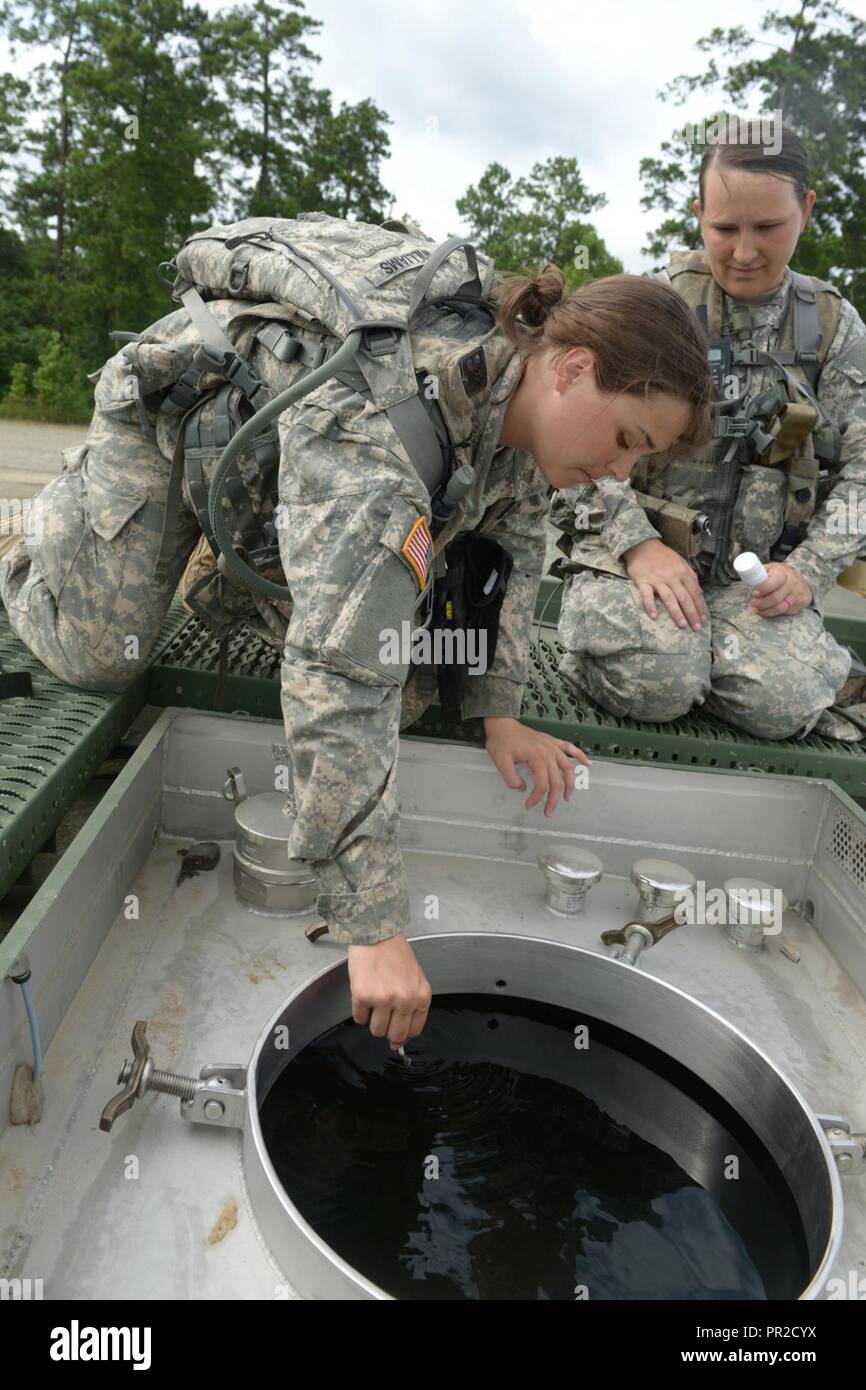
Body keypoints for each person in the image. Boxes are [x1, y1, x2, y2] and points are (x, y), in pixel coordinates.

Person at [0, 234, 711, 1050]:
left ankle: (231, 556)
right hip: (173, 418)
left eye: (640, 459)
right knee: (96, 651)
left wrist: (496, 711)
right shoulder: (380, 433)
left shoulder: (520, 420)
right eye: (626, 439)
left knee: (411, 684)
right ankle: (39, 530)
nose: (621, 474)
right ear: (574, 368)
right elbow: (335, 675)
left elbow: (508, 557)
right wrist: (372, 928)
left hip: (271, 474)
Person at [552, 123, 866, 741]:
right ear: (698, 214)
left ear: (805, 210)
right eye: (724, 229)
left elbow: (861, 473)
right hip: (632, 561)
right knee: (658, 683)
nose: (744, 251)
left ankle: (719, 657)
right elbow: (573, 446)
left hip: (750, 588)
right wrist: (637, 546)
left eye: (767, 228)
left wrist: (808, 571)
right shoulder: (653, 310)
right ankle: (680, 658)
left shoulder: (835, 331)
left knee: (786, 699)